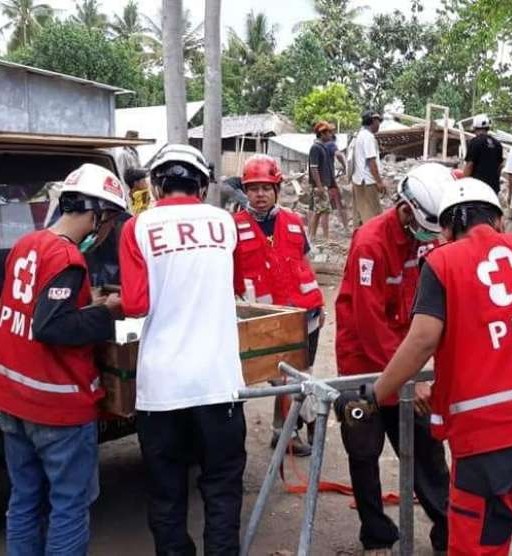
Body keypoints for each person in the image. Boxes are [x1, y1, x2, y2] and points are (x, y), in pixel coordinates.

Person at [343, 177, 512, 554]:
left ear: (447, 228)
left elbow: (422, 339)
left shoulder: (443, 263)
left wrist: (375, 394)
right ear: (499, 222)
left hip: (486, 447)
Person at [119, 144, 247, 555]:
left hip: (161, 390)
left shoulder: (136, 227)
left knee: (167, 492)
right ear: (203, 185)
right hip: (219, 384)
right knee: (222, 488)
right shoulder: (225, 222)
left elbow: (136, 305)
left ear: (157, 185)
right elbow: (232, 282)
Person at [0, 163, 126, 554]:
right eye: (107, 221)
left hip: (12, 397)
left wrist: (87, 304)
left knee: (24, 499)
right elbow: (53, 327)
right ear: (96, 214)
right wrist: (107, 312)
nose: (106, 232)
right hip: (55, 406)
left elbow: (32, 307)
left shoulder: (28, 243)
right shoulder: (67, 259)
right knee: (68, 506)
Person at [333, 163, 453, 555]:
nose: (429, 239)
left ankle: (448, 530)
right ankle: (376, 531)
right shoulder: (370, 244)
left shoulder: (427, 239)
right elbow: (370, 326)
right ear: (405, 210)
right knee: (363, 449)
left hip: (407, 359)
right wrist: (409, 377)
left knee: (426, 449)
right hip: (362, 363)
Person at [233, 154, 325, 456]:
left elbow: (305, 263)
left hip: (304, 313)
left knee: (301, 372)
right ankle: (305, 421)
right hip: (265, 319)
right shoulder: (233, 228)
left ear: (277, 188)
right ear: (246, 191)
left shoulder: (295, 222)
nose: (260, 194)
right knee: (286, 377)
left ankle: (283, 432)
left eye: (266, 188)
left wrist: (318, 308)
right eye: (253, 188)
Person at [351, 110, 387, 226]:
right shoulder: (368, 137)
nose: (379, 124)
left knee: (361, 212)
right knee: (374, 214)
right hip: (368, 181)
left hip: (358, 179)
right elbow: (371, 161)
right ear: (373, 121)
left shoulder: (359, 135)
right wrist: (379, 182)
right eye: (378, 121)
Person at [309, 121, 336, 242]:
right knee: (321, 211)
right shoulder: (315, 148)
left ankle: (315, 236)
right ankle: (317, 237)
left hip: (323, 185)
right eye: (329, 132)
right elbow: (313, 168)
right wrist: (319, 186)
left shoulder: (322, 147)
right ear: (322, 133)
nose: (331, 134)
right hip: (319, 186)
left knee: (321, 211)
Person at [463, 113, 504, 195]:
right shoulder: (497, 144)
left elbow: (469, 165)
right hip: (494, 188)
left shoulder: (474, 142)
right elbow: (500, 166)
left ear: (475, 127)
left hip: (478, 187)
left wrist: (464, 182)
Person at [326, 134, 350, 232]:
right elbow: (339, 154)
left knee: (321, 207)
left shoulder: (319, 146)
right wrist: (345, 166)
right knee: (340, 204)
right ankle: (346, 228)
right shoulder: (331, 144)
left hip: (322, 179)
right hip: (330, 180)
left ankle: (315, 231)